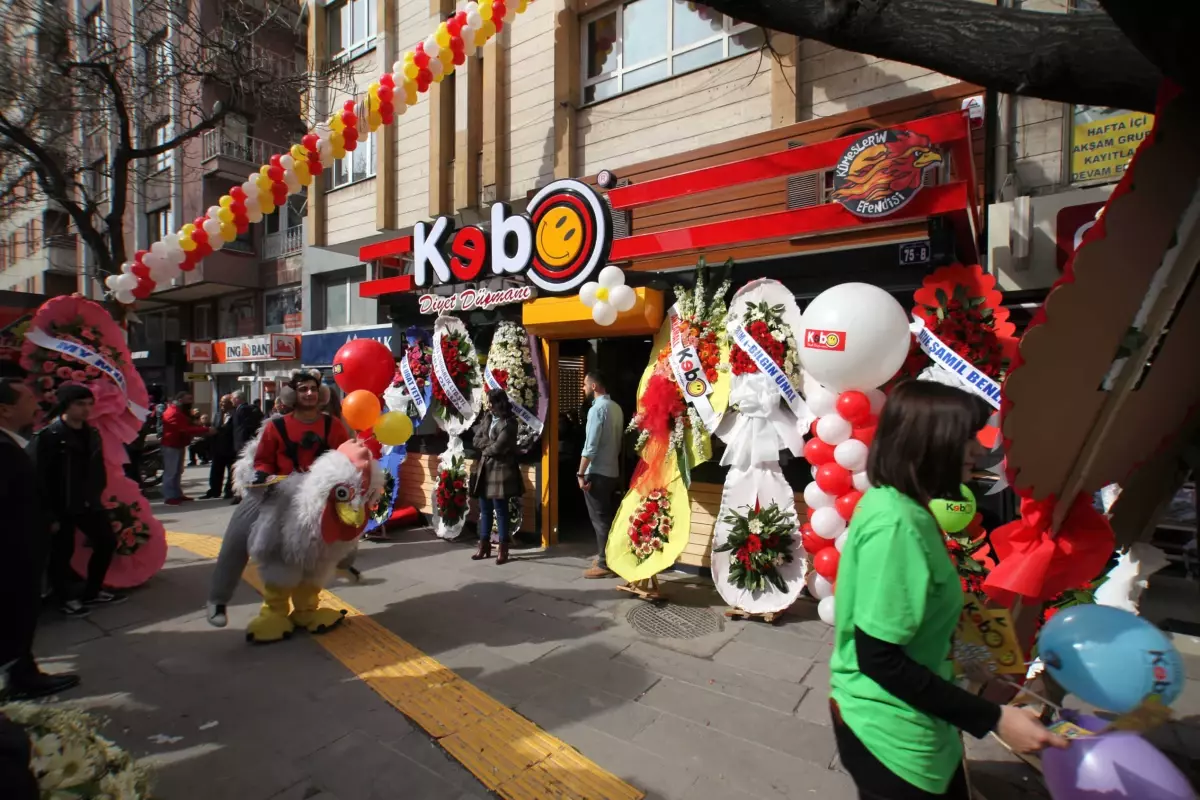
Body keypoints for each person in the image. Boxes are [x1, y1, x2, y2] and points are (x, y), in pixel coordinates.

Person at [829, 381, 1067, 799]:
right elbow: (879, 658)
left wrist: (976, 656)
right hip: (891, 733)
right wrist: (994, 718)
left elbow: (918, 617)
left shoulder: (902, 506)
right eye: (966, 437)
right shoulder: (896, 525)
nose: (977, 449)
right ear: (928, 444)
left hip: (914, 724)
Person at [206, 370, 351, 627]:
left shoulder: (334, 426)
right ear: (292, 394)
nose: (309, 393)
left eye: (313, 389)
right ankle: (219, 600)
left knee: (329, 548)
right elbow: (262, 459)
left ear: (321, 394)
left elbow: (345, 456)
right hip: (279, 493)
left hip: (317, 500)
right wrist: (261, 475)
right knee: (240, 535)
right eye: (303, 389)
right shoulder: (275, 426)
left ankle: (310, 606)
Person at [0, 378, 80, 698]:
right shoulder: (4, 450)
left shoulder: (12, 443)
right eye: (29, 399)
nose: (37, 403)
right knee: (16, 611)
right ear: (5, 410)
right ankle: (19, 676)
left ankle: (21, 670)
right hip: (13, 553)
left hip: (22, 548)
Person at [31, 384, 126, 616]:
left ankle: (92, 591)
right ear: (65, 405)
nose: (86, 409)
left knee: (106, 542)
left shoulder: (92, 433)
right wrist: (49, 513)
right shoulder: (49, 436)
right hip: (61, 504)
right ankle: (66, 598)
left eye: (89, 404)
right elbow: (39, 478)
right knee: (62, 553)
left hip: (88, 502)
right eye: (79, 404)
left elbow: (97, 468)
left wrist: (96, 492)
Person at [578, 371, 624, 579]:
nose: (584, 388)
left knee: (600, 519)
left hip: (596, 471)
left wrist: (580, 472)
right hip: (612, 469)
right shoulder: (616, 408)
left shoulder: (597, 409)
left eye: (585, 385)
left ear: (595, 386)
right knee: (608, 516)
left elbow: (591, 446)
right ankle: (607, 555)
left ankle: (605, 563)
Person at [470, 389, 523, 565]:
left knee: (500, 510)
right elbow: (476, 439)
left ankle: (503, 548)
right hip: (485, 468)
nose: (489, 405)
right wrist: (487, 445)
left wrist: (487, 446)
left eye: (491, 402)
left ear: (499, 403)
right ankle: (484, 545)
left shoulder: (509, 422)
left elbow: (498, 447)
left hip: (500, 469)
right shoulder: (487, 418)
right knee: (484, 508)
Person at [161, 392, 213, 505]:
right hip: (172, 445)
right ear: (180, 400)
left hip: (177, 444)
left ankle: (176, 494)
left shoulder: (178, 412)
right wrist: (204, 430)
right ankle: (170, 496)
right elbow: (184, 429)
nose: (190, 402)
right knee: (171, 472)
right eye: (188, 399)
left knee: (177, 471)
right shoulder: (174, 413)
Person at [205, 395, 236, 500]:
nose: (222, 404)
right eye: (221, 402)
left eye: (225, 402)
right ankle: (214, 490)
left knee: (231, 471)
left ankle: (229, 491)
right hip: (218, 448)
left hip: (230, 448)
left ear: (231, 403)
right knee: (216, 470)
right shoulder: (218, 415)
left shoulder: (235, 415)